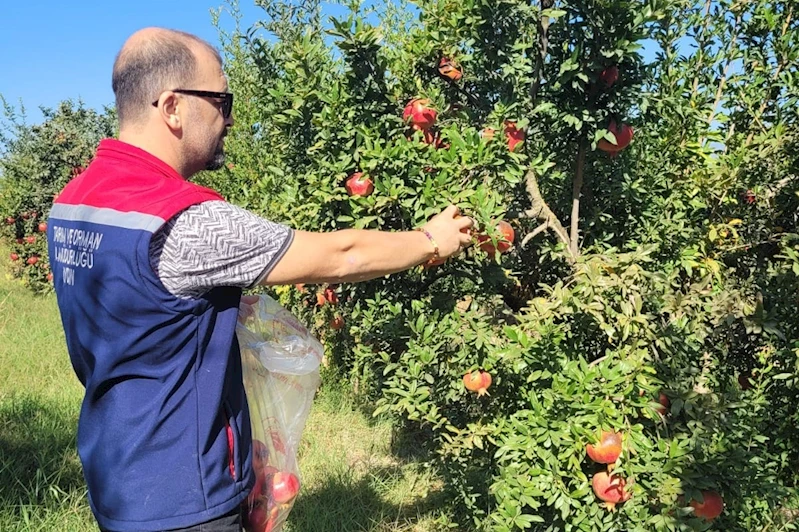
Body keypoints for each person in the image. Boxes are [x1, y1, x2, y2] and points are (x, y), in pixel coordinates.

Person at [46, 27, 472, 532]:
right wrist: (429, 240)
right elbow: (340, 254)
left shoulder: (74, 200)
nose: (228, 118)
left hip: (117, 470)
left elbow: (136, 301)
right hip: (186, 493)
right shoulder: (185, 219)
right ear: (172, 107)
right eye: (221, 101)